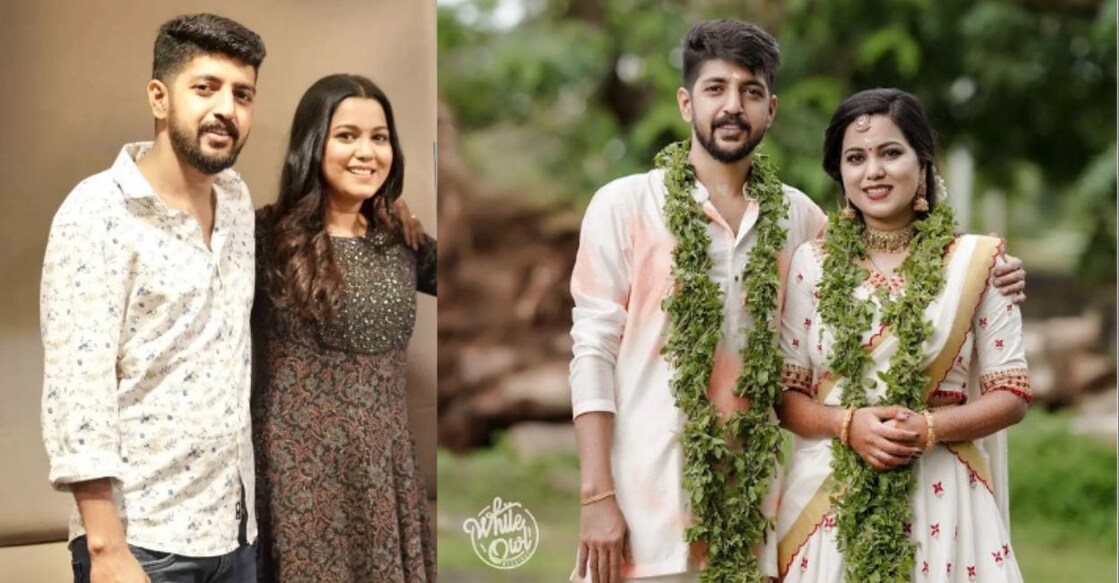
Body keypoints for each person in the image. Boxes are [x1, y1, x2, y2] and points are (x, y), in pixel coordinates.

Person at [568, 20, 1028, 583]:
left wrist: (995, 273)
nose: (733, 106)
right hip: (647, 501)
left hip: (756, 509)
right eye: (716, 89)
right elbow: (591, 351)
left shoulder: (799, 220)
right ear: (686, 103)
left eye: (751, 92)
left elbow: (896, 267)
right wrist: (597, 496)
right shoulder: (625, 205)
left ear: (771, 109)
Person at [40, 14, 265, 583]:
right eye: (205, 87)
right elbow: (77, 386)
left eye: (243, 94)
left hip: (235, 529)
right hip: (143, 541)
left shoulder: (237, 201)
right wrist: (106, 551)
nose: (227, 110)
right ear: (160, 97)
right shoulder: (99, 211)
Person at [775, 88, 1030, 582]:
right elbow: (787, 396)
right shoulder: (811, 265)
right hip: (831, 497)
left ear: (923, 163)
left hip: (946, 502)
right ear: (840, 173)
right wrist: (849, 425)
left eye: (891, 153)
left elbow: (1013, 394)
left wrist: (929, 429)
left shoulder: (977, 265)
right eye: (856, 158)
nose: (874, 171)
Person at [252, 73, 437, 582]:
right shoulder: (264, 237)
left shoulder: (401, 239)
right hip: (299, 485)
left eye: (379, 138)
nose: (367, 152)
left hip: (385, 478)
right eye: (347, 135)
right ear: (314, 144)